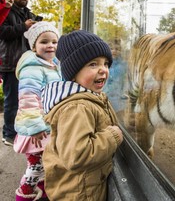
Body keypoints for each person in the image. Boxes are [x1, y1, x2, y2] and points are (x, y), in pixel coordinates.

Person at [41, 30, 123, 201]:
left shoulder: (92, 97)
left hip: (85, 186)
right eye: (93, 64)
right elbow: (76, 156)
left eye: (106, 63)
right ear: (73, 72)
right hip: (79, 193)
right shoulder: (77, 107)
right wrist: (113, 136)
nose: (103, 70)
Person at [13, 21, 61, 201]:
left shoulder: (53, 65)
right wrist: (35, 126)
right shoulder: (32, 68)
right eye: (44, 42)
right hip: (36, 129)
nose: (50, 45)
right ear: (34, 46)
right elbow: (28, 99)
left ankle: (43, 187)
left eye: (54, 42)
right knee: (35, 167)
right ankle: (25, 194)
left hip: (47, 125)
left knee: (45, 163)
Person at [0, 0, 40, 146]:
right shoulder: (5, 11)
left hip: (27, 63)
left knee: (26, 99)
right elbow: (2, 33)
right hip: (10, 62)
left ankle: (20, 131)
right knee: (12, 100)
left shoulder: (28, 13)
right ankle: (9, 134)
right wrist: (24, 26)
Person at [103, 39, 128, 116]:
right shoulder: (105, 63)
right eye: (111, 49)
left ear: (120, 51)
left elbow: (121, 81)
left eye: (117, 49)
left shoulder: (122, 65)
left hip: (118, 96)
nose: (114, 51)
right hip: (106, 95)